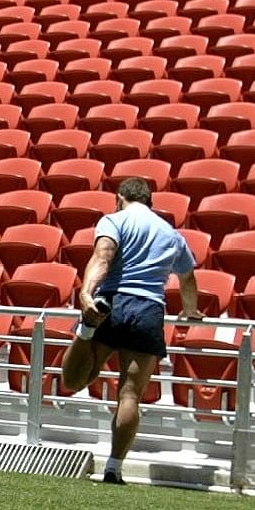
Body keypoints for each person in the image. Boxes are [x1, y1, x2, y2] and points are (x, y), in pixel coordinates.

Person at [63, 176, 199, 486]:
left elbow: (103, 256)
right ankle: (114, 467)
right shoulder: (171, 233)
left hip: (112, 301)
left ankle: (86, 331)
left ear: (120, 197)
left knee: (74, 380)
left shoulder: (115, 219)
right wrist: (190, 311)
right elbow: (188, 278)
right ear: (150, 201)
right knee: (130, 395)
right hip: (149, 309)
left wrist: (86, 293)